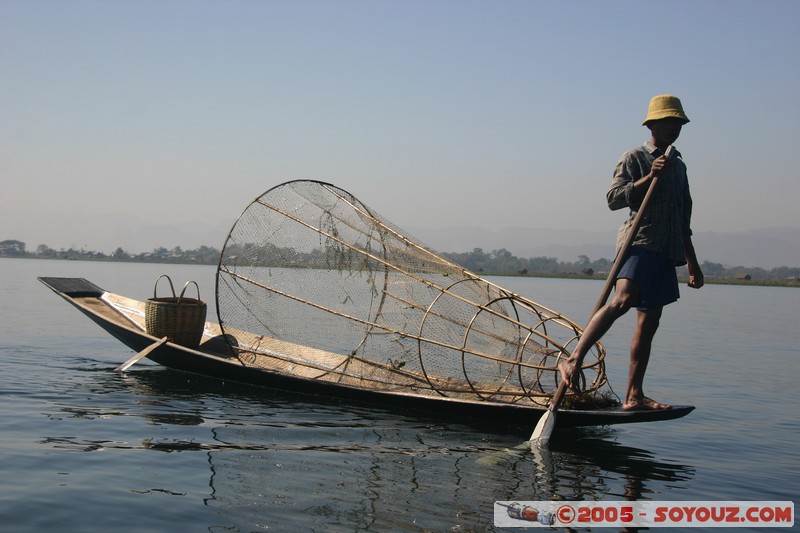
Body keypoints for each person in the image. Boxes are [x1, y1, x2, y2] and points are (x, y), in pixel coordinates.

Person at [559, 94, 704, 411]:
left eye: (678, 123)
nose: (674, 128)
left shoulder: (679, 168)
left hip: (667, 249)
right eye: (668, 122)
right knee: (623, 299)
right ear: (652, 124)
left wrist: (693, 263)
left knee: (648, 322)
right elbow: (614, 198)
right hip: (638, 241)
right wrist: (650, 176)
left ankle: (634, 395)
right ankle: (573, 359)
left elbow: (684, 219)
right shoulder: (635, 157)